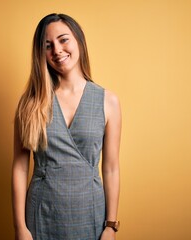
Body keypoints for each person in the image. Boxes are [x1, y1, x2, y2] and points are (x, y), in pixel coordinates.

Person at [11, 13, 122, 240]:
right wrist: (20, 228)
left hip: (91, 215)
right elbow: (20, 168)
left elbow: (111, 168)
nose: (57, 51)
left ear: (78, 40)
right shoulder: (31, 102)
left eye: (63, 40)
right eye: (48, 45)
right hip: (41, 216)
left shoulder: (108, 101)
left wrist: (111, 226)